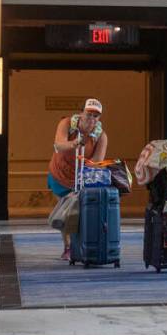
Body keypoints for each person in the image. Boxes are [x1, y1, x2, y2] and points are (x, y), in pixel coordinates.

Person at [48, 98, 108, 259]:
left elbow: (96, 162)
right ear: (82, 113)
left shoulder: (101, 136)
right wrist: (75, 143)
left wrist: (86, 170)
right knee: (66, 212)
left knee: (80, 213)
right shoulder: (67, 123)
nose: (92, 119)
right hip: (59, 175)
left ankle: (81, 245)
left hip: (80, 179)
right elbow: (59, 144)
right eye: (89, 114)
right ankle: (67, 247)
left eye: (96, 116)